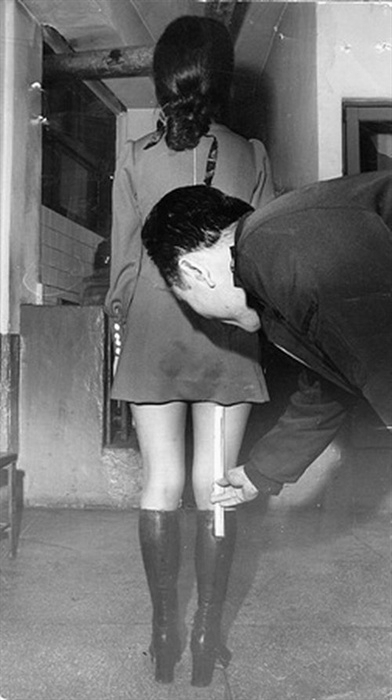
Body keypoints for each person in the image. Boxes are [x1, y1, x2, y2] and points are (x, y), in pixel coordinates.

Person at [105, 16, 275, 686]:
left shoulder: (137, 156)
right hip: (226, 334)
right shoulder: (252, 154)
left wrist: (129, 318)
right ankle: (208, 635)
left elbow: (122, 268)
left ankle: (164, 631)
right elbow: (259, 258)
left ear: (163, 77)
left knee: (161, 484)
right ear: (223, 77)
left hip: (153, 328)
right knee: (217, 488)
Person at [141, 171, 392, 508]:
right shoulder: (275, 250)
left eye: (186, 300)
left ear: (194, 273)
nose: (205, 320)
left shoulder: (277, 254)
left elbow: (380, 360)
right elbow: (333, 379)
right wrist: (261, 472)